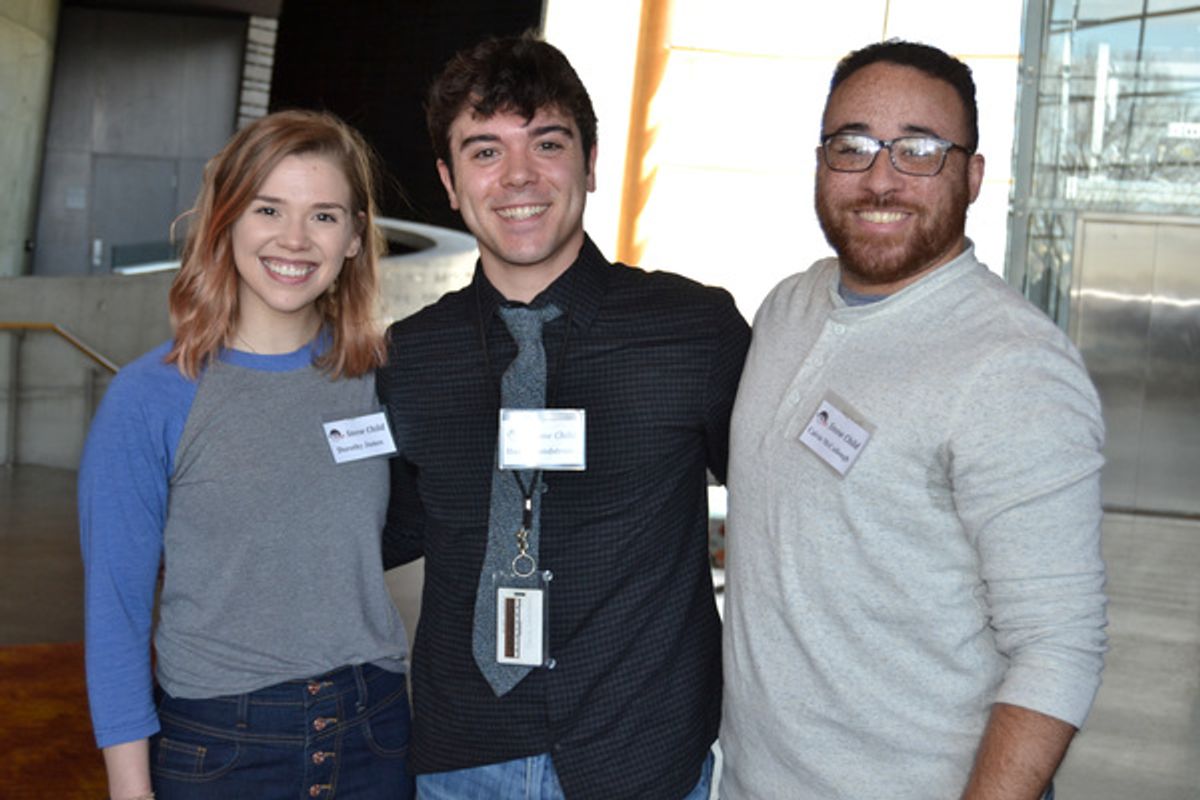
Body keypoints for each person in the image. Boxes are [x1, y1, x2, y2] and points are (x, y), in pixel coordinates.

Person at [719, 40, 1108, 800]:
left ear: (973, 175)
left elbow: (1057, 647)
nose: (880, 177)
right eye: (853, 145)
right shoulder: (788, 306)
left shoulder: (1014, 367)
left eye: (920, 149)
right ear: (821, 161)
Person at [376, 33, 750, 800]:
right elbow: (374, 532)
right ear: (449, 182)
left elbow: (790, 503)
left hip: (640, 756)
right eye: (484, 152)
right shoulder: (408, 357)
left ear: (590, 162)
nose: (518, 176)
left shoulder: (695, 331)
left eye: (547, 143)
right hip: (459, 760)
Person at [79, 110, 415, 800]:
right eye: (268, 209)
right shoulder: (150, 398)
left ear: (355, 237)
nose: (294, 238)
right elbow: (116, 610)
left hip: (374, 733)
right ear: (226, 219)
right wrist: (129, 789)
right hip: (220, 748)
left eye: (323, 216)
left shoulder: (381, 379)